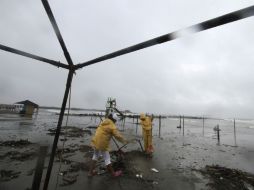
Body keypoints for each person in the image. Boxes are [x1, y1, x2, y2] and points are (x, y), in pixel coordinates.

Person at [88, 113, 127, 177]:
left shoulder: (104, 121)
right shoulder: (112, 126)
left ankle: (90, 173)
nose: (115, 122)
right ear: (114, 120)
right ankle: (113, 174)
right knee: (107, 158)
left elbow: (104, 131)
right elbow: (117, 136)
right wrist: (124, 140)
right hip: (102, 144)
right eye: (115, 121)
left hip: (95, 141)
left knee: (95, 156)